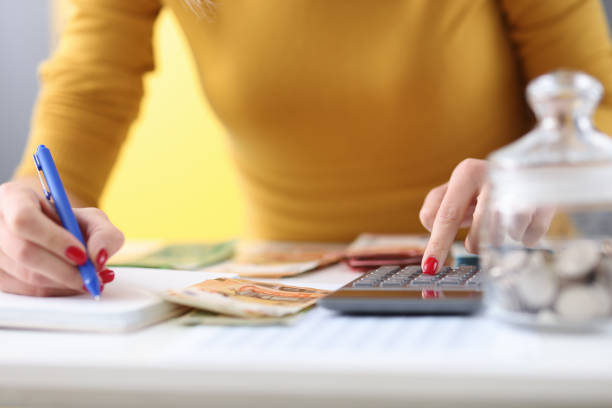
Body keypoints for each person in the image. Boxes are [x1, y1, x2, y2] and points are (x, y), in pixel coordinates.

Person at [1, 0, 612, 297]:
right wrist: (34, 213)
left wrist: (540, 180)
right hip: (281, 295)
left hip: (510, 278)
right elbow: (88, 92)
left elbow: (598, 100)